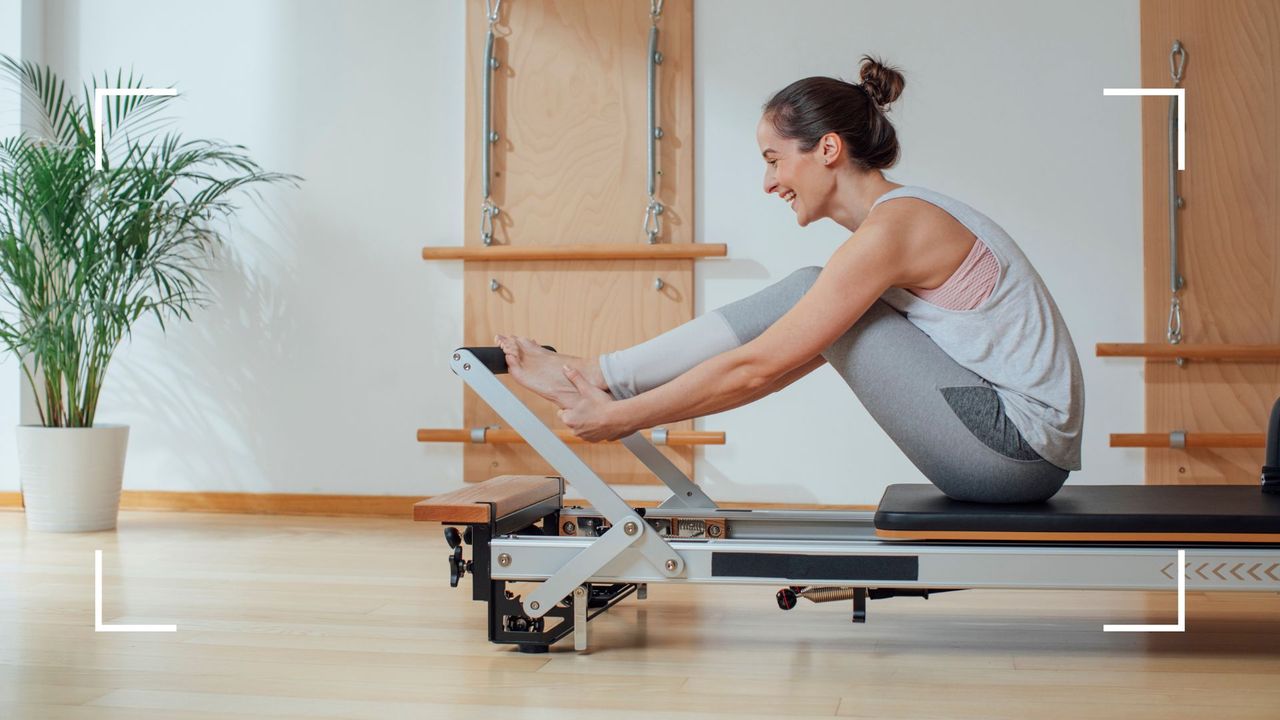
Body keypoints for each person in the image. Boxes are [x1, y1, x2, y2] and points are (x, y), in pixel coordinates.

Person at [495, 55, 1084, 504]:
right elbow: (779, 365)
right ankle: (604, 376)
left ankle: (603, 377)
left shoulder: (892, 231)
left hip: (1013, 452)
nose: (769, 182)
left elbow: (759, 366)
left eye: (774, 159)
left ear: (828, 149)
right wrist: (628, 405)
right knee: (814, 292)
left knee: (811, 288)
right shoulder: (896, 225)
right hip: (1014, 449)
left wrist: (622, 417)